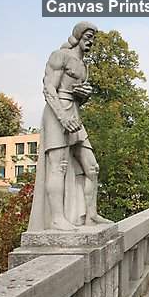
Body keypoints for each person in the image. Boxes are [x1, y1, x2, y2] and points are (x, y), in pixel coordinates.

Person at [28, 21, 111, 231]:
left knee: (92, 167)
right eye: (89, 36)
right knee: (59, 167)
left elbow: (74, 92)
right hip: (57, 113)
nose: (91, 41)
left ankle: (91, 215)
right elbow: (48, 89)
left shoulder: (84, 66)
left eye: (93, 38)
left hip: (74, 112)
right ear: (78, 35)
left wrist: (83, 96)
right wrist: (63, 117)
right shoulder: (60, 55)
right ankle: (57, 218)